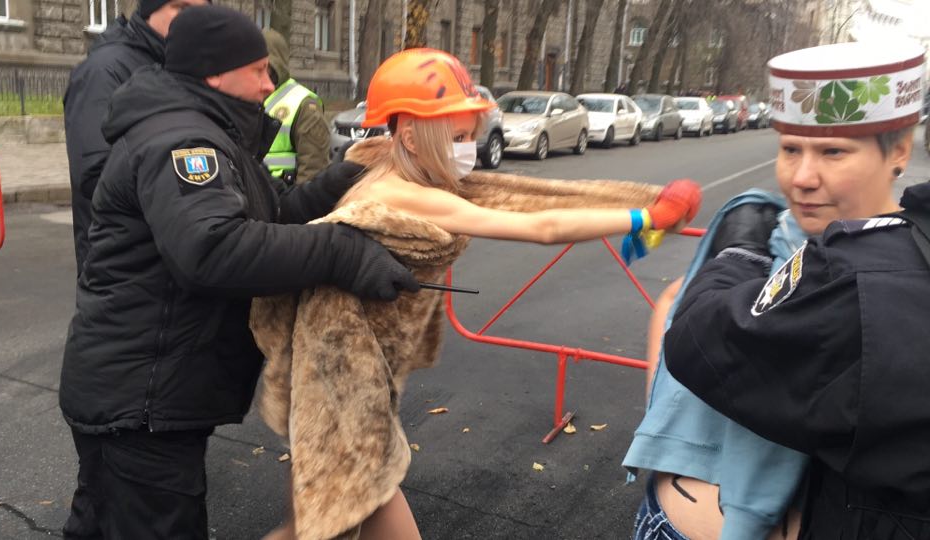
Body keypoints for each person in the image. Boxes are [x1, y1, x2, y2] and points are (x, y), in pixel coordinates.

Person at [254, 48, 703, 540]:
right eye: (457, 137)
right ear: (411, 136)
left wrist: (638, 201)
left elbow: (519, 195)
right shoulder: (404, 193)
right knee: (326, 517)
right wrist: (644, 216)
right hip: (342, 380)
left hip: (351, 375)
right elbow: (541, 225)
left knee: (327, 511)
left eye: (470, 134)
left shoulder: (392, 165)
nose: (469, 148)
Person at [58, 7, 418, 539]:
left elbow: (271, 215)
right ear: (214, 74)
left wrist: (343, 178)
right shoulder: (180, 141)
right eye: (258, 70)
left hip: (140, 394)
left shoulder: (208, 130)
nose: (270, 83)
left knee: (103, 522)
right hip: (139, 403)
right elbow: (214, 248)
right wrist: (344, 254)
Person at [662, 42, 929, 538]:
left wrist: (738, 251)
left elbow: (695, 337)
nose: (801, 178)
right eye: (790, 149)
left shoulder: (854, 282)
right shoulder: (915, 237)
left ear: (898, 150)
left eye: (833, 151)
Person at [64, 0, 209, 274]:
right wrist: (187, 203)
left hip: (172, 259)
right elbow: (95, 174)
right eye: (182, 9)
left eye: (203, 11)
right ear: (151, 10)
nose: (194, 20)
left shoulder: (185, 67)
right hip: (122, 268)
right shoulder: (105, 69)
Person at [262, 29, 331, 185]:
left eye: (261, 65)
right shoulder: (243, 96)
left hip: (285, 195)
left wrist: (298, 200)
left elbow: (313, 169)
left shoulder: (304, 104)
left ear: (274, 64)